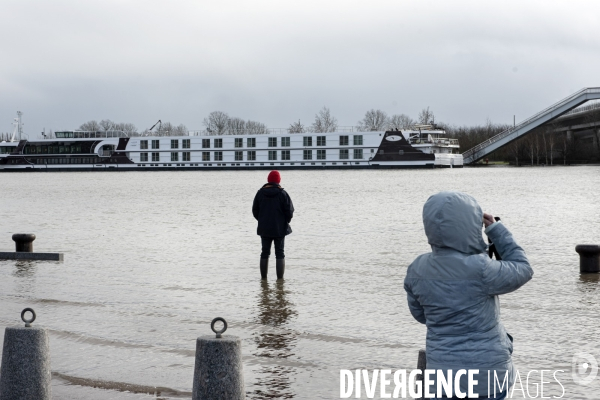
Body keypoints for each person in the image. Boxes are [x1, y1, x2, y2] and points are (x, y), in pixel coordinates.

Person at [404, 191, 533, 399]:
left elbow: (421, 315)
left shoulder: (417, 269)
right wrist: (495, 230)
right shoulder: (481, 268)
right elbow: (523, 269)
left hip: (442, 380)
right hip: (487, 379)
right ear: (470, 226)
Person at [252, 170, 294, 280]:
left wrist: (262, 220)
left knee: (264, 253)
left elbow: (255, 210)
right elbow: (289, 211)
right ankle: (280, 280)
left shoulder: (260, 193)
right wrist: (284, 222)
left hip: (264, 228)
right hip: (279, 229)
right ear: (278, 180)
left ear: (268, 180)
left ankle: (263, 279)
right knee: (280, 253)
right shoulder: (282, 194)